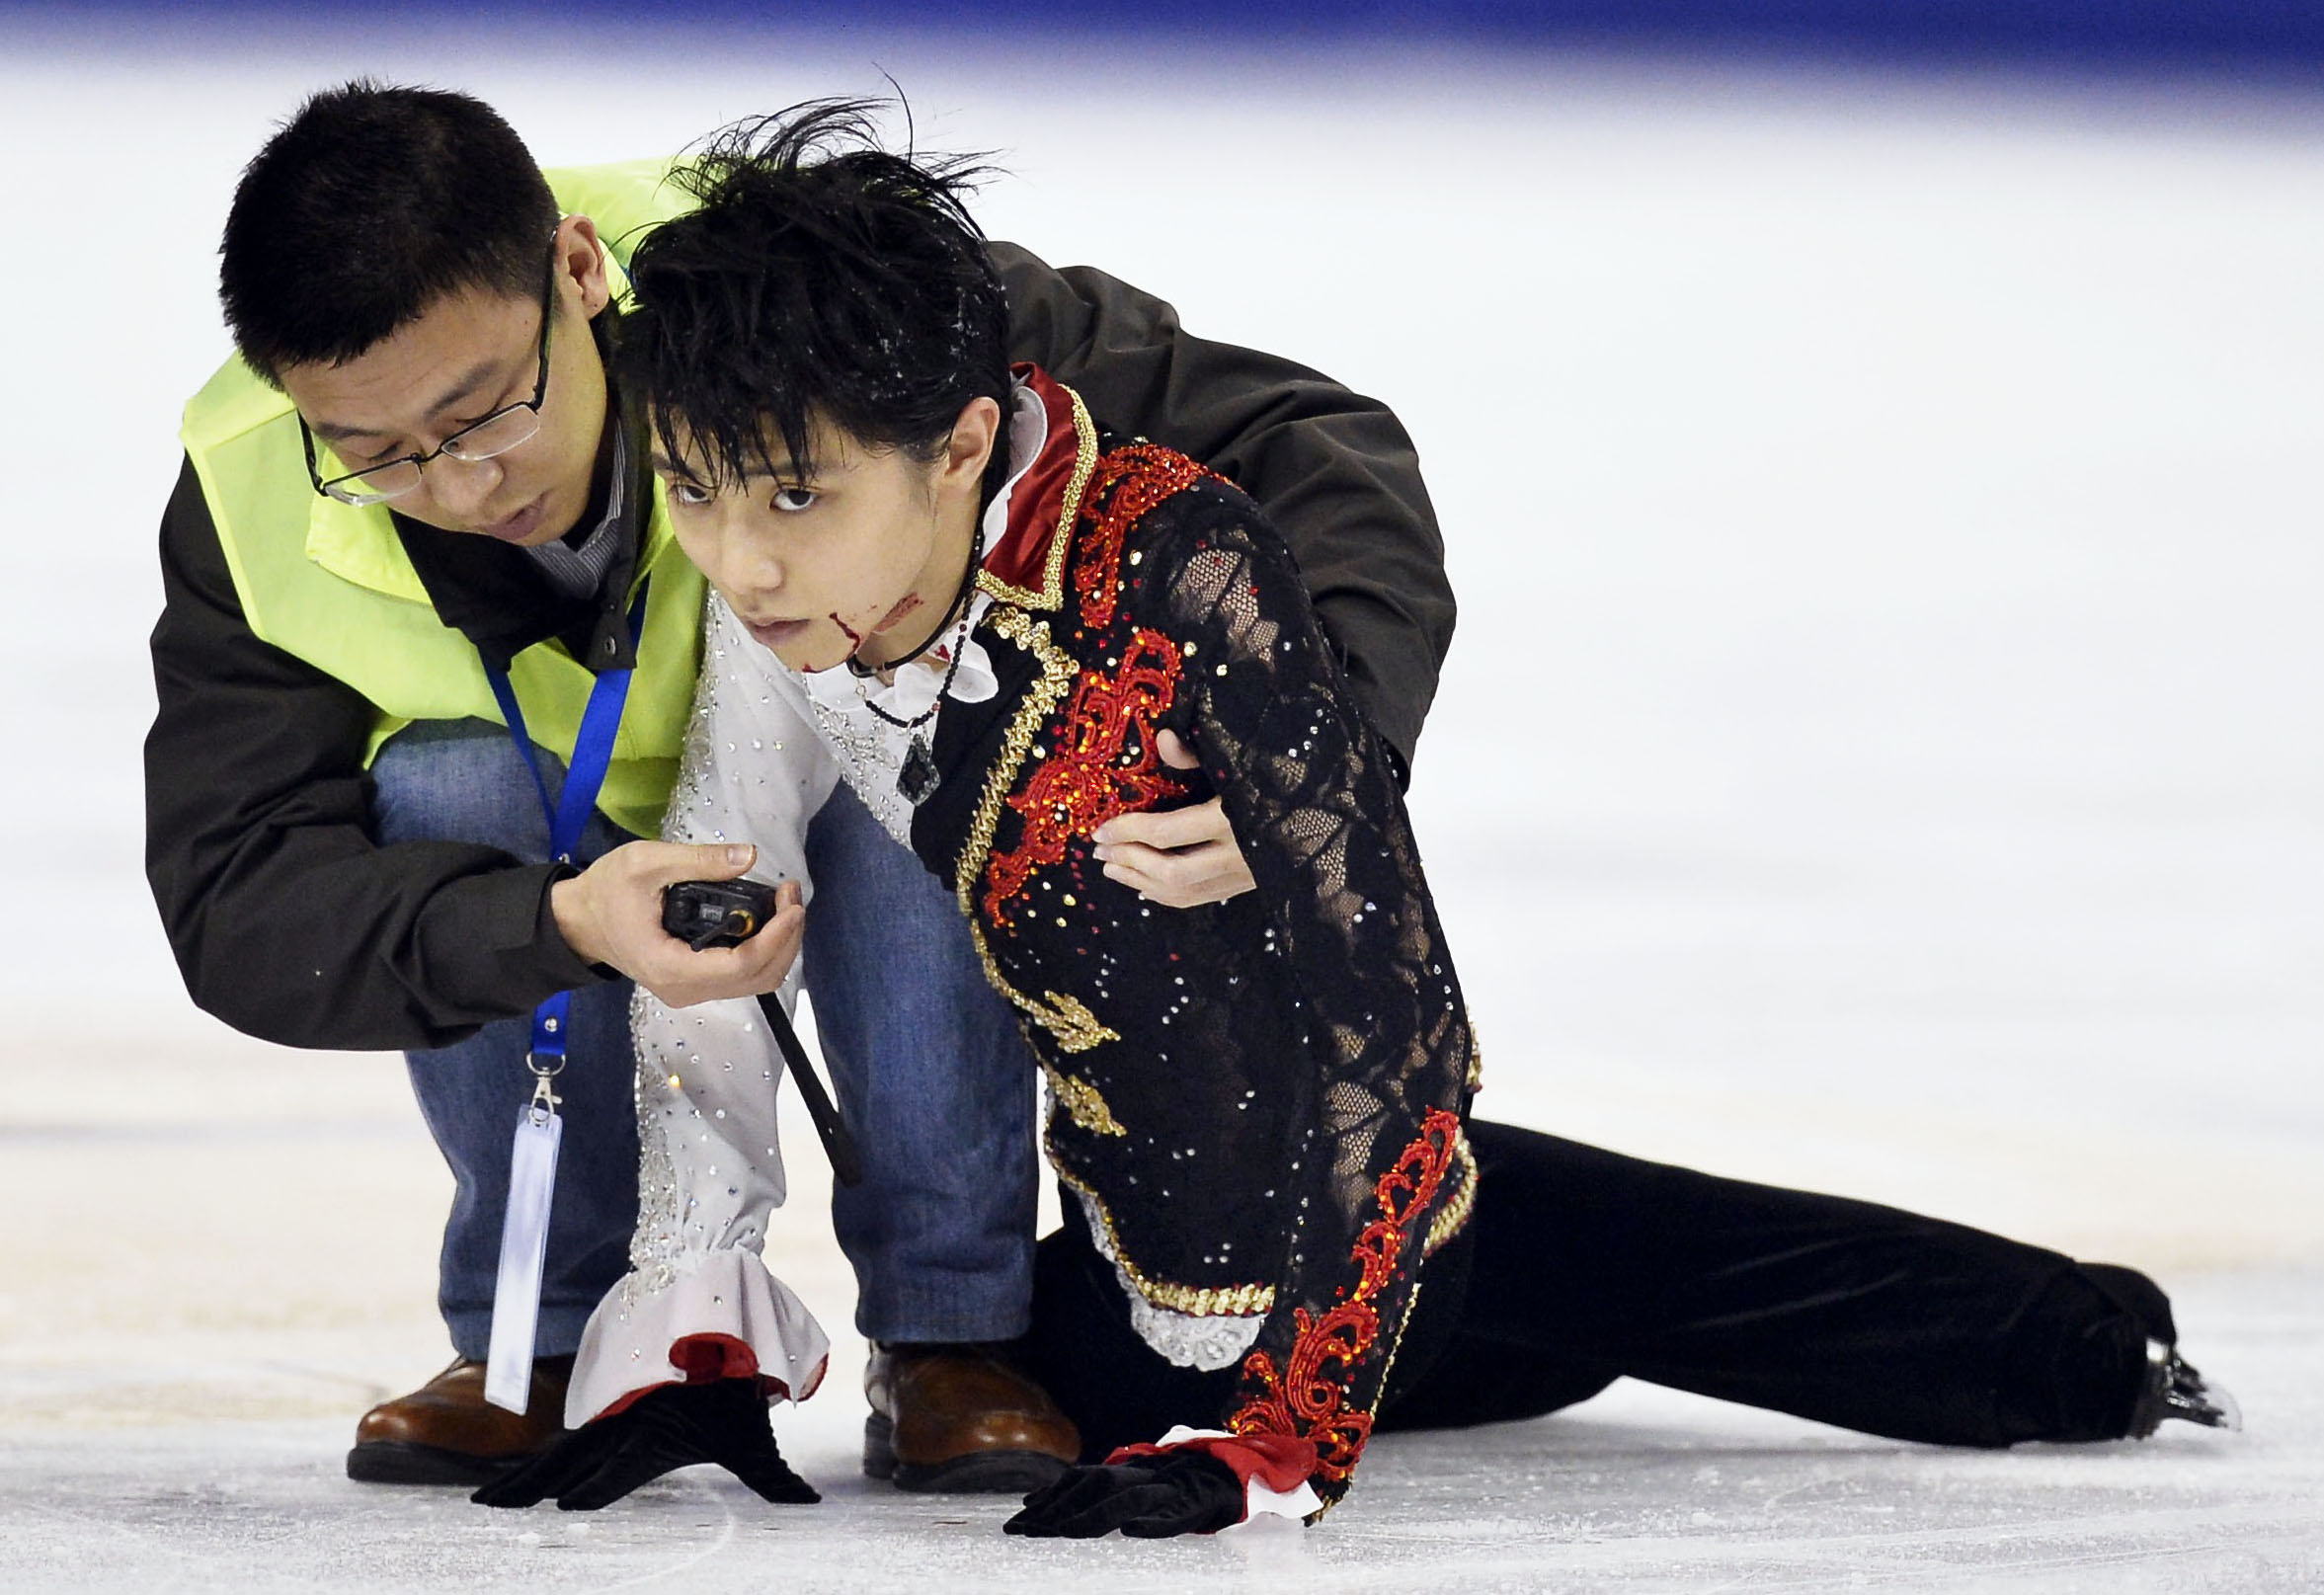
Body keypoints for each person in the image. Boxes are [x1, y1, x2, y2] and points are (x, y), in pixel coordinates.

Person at [474, 107, 2240, 1536]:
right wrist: (693, 1318)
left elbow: (1399, 1038)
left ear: (954, 443)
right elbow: (705, 906)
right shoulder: (786, 627)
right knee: (1253, 1343)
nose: (742, 557)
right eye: (697, 492)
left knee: (1620, 1273)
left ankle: (2081, 1349)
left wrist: (1286, 1434)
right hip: (1125, 1285)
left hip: (1374, 1222)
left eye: (794, 494)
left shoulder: (1179, 570)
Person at [145, 80, 1455, 1491]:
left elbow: (1309, 442)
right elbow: (241, 903)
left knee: (911, 726)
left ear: (580, 272)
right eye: (374, 455)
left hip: (856, 785)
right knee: (449, 782)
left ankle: (957, 1332)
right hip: (556, 847)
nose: (460, 484)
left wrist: (1312, 770)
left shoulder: (799, 287)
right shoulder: (247, 495)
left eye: (485, 413)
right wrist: (566, 922)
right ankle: (543, 1339)